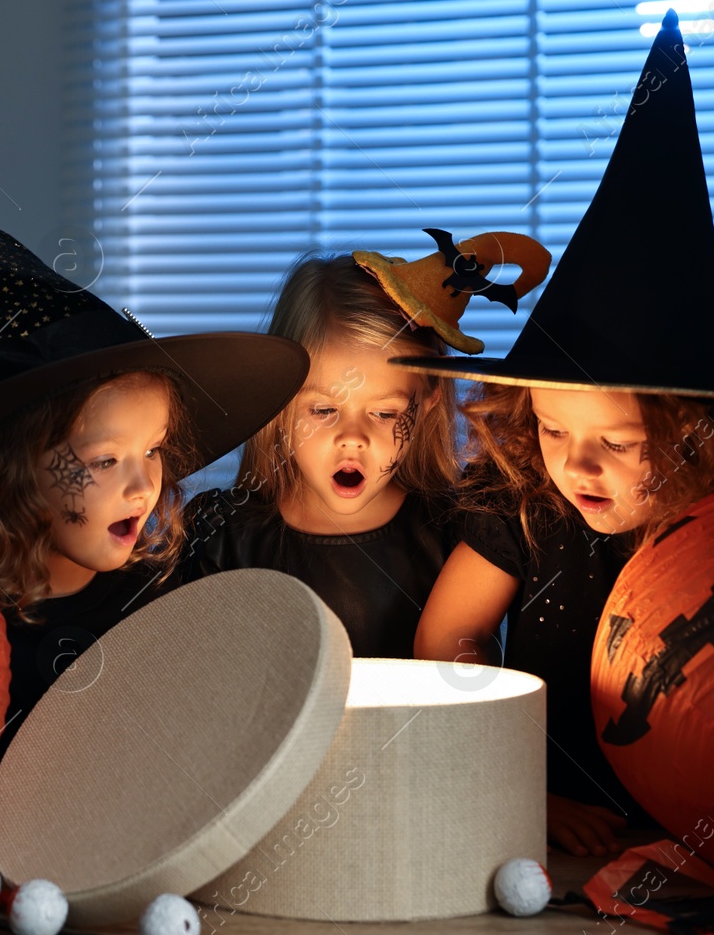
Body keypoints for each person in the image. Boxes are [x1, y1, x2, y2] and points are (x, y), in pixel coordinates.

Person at [401, 10, 714, 858]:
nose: (574, 461)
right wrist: (518, 788)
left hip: (704, 830)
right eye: (548, 427)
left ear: (705, 440)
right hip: (544, 822)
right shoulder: (526, 505)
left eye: (616, 443)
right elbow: (447, 640)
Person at [0, 196, 308, 837]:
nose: (145, 483)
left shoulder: (152, 602)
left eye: (152, 450)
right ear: (15, 471)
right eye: (104, 459)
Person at [181, 236, 547, 658]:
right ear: (278, 400)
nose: (352, 437)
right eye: (322, 409)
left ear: (427, 402)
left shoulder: (463, 537)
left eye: (385, 414)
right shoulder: (218, 538)